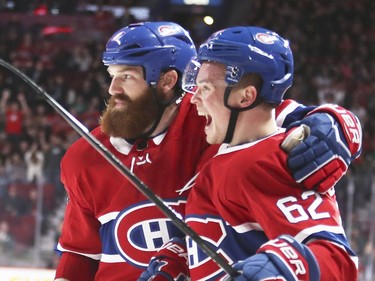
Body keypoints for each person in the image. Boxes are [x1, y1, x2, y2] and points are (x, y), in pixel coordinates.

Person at [54, 22, 361, 281]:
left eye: (127, 76)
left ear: (166, 81)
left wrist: (335, 122)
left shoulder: (224, 136)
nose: (112, 89)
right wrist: (171, 262)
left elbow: (277, 114)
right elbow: (205, 233)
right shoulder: (87, 156)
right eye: (112, 75)